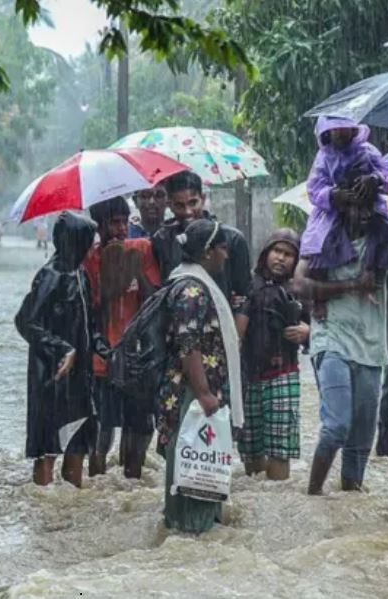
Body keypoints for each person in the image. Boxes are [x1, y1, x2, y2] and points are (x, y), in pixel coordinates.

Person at [293, 185, 388, 495]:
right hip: (331, 339)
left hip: (372, 345)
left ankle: (349, 499)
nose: (361, 215)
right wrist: (351, 285)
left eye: (367, 207)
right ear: (342, 207)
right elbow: (298, 284)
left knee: (361, 439)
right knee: (337, 425)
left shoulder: (386, 243)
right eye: (354, 207)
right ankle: (313, 496)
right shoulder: (323, 239)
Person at [156, 219, 244, 534]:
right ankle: (190, 534)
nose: (226, 255)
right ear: (207, 253)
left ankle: (192, 533)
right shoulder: (193, 289)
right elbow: (188, 343)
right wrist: (205, 393)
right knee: (193, 472)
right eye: (222, 248)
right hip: (191, 395)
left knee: (197, 469)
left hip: (192, 393)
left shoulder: (189, 282)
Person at [15, 212, 106, 488]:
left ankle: (71, 505)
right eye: (88, 240)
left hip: (80, 376)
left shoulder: (80, 274)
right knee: (48, 446)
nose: (92, 246)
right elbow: (25, 321)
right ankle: (42, 503)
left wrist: (103, 346)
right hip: (52, 374)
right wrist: (62, 349)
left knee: (78, 441)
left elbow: (89, 322)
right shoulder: (50, 275)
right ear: (74, 241)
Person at [83, 197, 161, 478]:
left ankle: (132, 479)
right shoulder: (89, 259)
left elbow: (155, 300)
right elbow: (87, 311)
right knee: (103, 430)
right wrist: (110, 283)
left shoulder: (142, 249)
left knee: (140, 427)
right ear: (99, 226)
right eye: (114, 223)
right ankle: (97, 480)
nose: (121, 229)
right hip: (101, 361)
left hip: (137, 358)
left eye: (125, 222)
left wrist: (135, 271)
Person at [235, 230, 310, 480]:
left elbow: (322, 323)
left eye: (288, 254)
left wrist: (307, 330)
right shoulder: (248, 285)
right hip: (249, 376)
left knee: (280, 448)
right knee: (251, 446)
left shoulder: (299, 289)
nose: (281, 258)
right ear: (266, 253)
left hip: (283, 374)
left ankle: (277, 492)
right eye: (277, 251)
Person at [300, 116, 388, 313]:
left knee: (385, 229)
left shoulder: (367, 151)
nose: (340, 134)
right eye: (335, 130)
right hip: (333, 209)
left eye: (344, 129)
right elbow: (314, 188)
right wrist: (333, 194)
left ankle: (373, 271)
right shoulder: (323, 158)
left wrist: (374, 179)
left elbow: (385, 170)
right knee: (319, 240)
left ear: (354, 131)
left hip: (368, 201)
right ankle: (320, 298)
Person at [151, 171, 251, 311]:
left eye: (193, 203)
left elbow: (245, 297)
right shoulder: (162, 240)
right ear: (169, 205)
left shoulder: (232, 239)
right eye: (179, 205)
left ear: (203, 199)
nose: (188, 212)